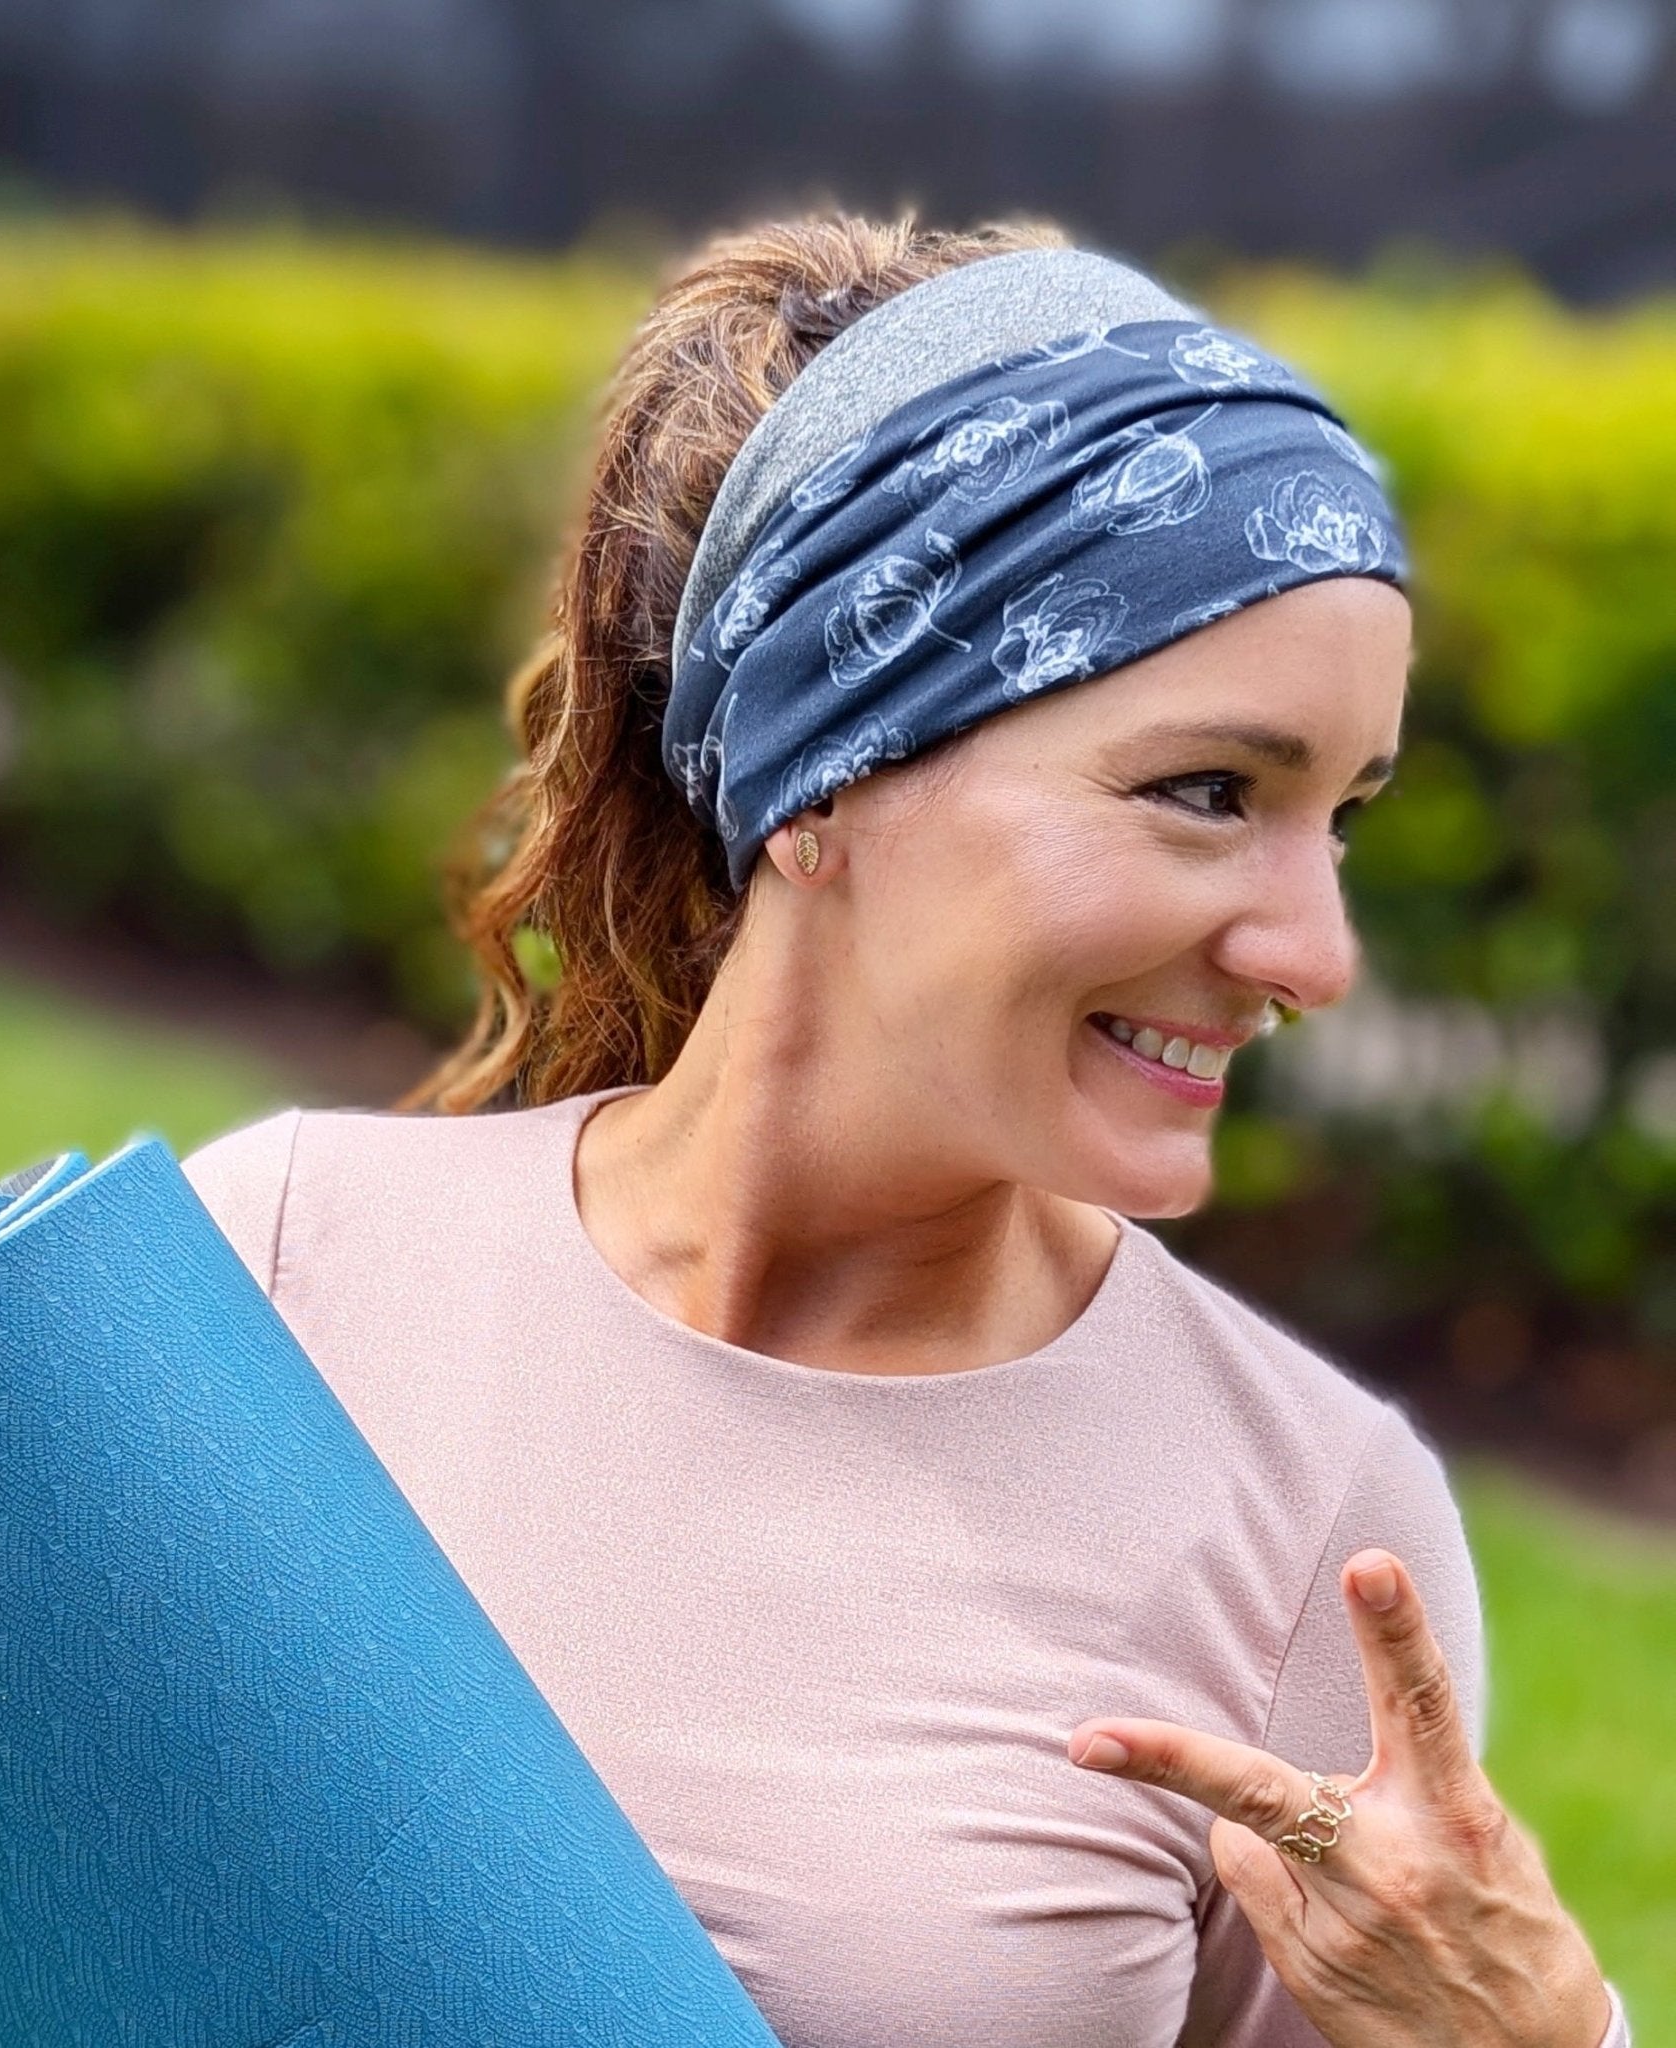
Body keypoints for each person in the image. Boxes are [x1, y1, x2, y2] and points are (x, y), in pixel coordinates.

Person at [182, 212, 1629, 2047]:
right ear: (829, 775)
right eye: (1208, 793)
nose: (1314, 953)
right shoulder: (286, 1270)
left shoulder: (1309, 1527)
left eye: (1340, 817)